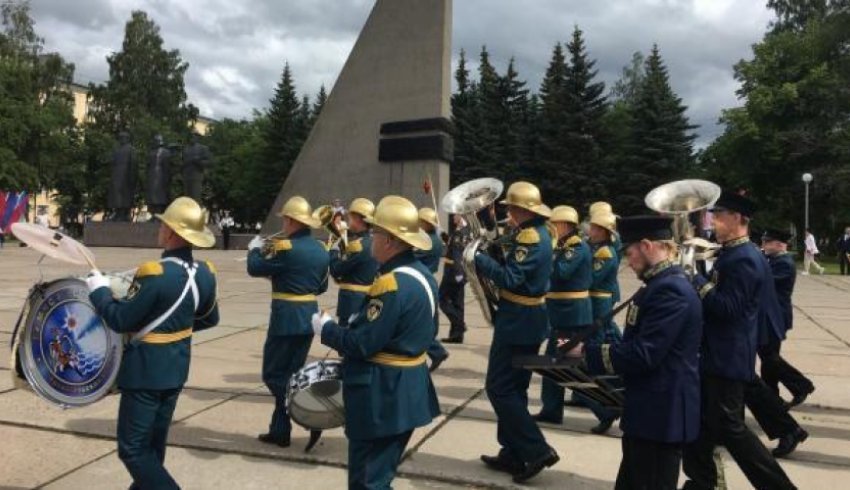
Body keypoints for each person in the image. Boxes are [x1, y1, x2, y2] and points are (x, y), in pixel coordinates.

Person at [85, 196, 219, 489]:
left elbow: (121, 320)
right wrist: (173, 331)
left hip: (146, 373)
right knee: (153, 449)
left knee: (132, 449)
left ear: (171, 233)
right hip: (176, 368)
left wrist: (99, 292)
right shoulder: (206, 274)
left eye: (164, 225)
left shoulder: (156, 274)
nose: (160, 229)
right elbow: (210, 319)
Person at [313, 195, 441, 489]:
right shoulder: (423, 276)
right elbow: (429, 331)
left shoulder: (391, 284)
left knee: (367, 481)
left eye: (376, 233)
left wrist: (327, 329)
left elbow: (361, 344)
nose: (372, 238)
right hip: (407, 390)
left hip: (383, 395)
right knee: (380, 476)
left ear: (391, 241)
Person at [578, 215, 703, 490]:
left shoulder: (670, 290)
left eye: (630, 252)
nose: (628, 260)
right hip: (650, 410)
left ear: (647, 245)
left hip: (661, 415)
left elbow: (645, 354)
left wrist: (588, 354)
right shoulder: (660, 285)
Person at [682, 190, 796, 490]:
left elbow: (727, 309)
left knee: (731, 429)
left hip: (726, 356)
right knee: (702, 425)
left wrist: (695, 279)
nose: (714, 221)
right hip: (717, 353)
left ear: (737, 219)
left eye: (719, 216)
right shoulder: (734, 253)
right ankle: (704, 481)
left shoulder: (744, 258)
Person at [475, 181, 559, 484]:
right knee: (515, 388)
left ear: (520, 210)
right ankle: (512, 451)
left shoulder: (531, 238)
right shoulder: (536, 233)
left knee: (499, 387)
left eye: (510, 208)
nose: (507, 213)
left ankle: (536, 449)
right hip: (527, 319)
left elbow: (510, 278)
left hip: (518, 321)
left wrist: (478, 259)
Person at [247, 196, 329, 447]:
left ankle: (310, 416)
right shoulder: (321, 249)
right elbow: (322, 286)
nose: (283, 221)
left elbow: (255, 267)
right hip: (309, 315)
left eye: (285, 218)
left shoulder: (286, 247)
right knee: (291, 374)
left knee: (273, 375)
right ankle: (280, 431)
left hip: (286, 318)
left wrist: (254, 248)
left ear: (292, 221)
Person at [532, 205, 593, 425]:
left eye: (554, 224)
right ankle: (551, 409)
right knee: (556, 366)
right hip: (563, 315)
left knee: (570, 367)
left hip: (571, 315)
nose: (551, 229)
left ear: (565, 225)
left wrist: (545, 257)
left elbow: (561, 273)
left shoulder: (575, 247)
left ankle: (604, 410)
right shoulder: (565, 245)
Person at [761, 229, 816, 410]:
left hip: (776, 317)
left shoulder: (784, 263)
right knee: (768, 358)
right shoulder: (774, 260)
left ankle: (801, 385)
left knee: (770, 357)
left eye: (767, 242)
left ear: (779, 244)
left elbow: (763, 281)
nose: (763, 245)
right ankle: (773, 399)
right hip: (769, 317)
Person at [579, 211, 623, 434]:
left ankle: (607, 408)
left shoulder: (605, 253)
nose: (590, 231)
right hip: (593, 304)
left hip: (599, 306)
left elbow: (591, 278)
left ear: (605, 232)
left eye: (595, 228)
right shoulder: (596, 249)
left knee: (588, 359)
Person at [329, 198, 379, 327]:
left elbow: (336, 270)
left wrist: (333, 251)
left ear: (357, 218)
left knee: (346, 339)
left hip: (352, 301)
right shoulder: (375, 242)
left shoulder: (358, 246)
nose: (348, 220)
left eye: (350, 217)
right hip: (369, 298)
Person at [416, 207, 449, 371]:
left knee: (418, 322)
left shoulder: (427, 241)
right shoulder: (433, 238)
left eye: (420, 221)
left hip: (422, 282)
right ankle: (435, 351)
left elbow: (412, 256)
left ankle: (436, 351)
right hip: (428, 280)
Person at [439, 214, 469, 344]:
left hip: (453, 272)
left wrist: (458, 274)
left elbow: (457, 254)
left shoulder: (459, 233)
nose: (453, 217)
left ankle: (459, 325)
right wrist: (446, 238)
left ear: (461, 215)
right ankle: (457, 335)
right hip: (461, 272)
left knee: (442, 299)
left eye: (455, 214)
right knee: (457, 303)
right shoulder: (464, 231)